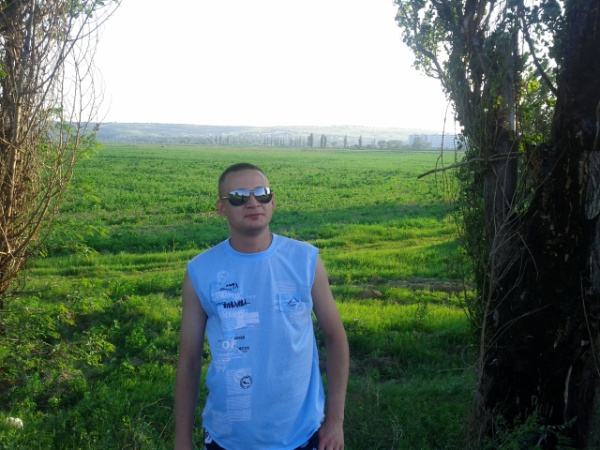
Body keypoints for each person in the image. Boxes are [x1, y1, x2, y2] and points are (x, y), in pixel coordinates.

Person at [174, 162, 349, 450]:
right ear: (221, 208)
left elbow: (336, 337)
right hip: (228, 438)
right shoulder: (200, 271)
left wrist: (335, 420)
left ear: (273, 201)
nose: (253, 202)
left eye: (262, 193)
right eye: (239, 197)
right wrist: (182, 440)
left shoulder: (305, 260)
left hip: (302, 435)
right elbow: (189, 361)